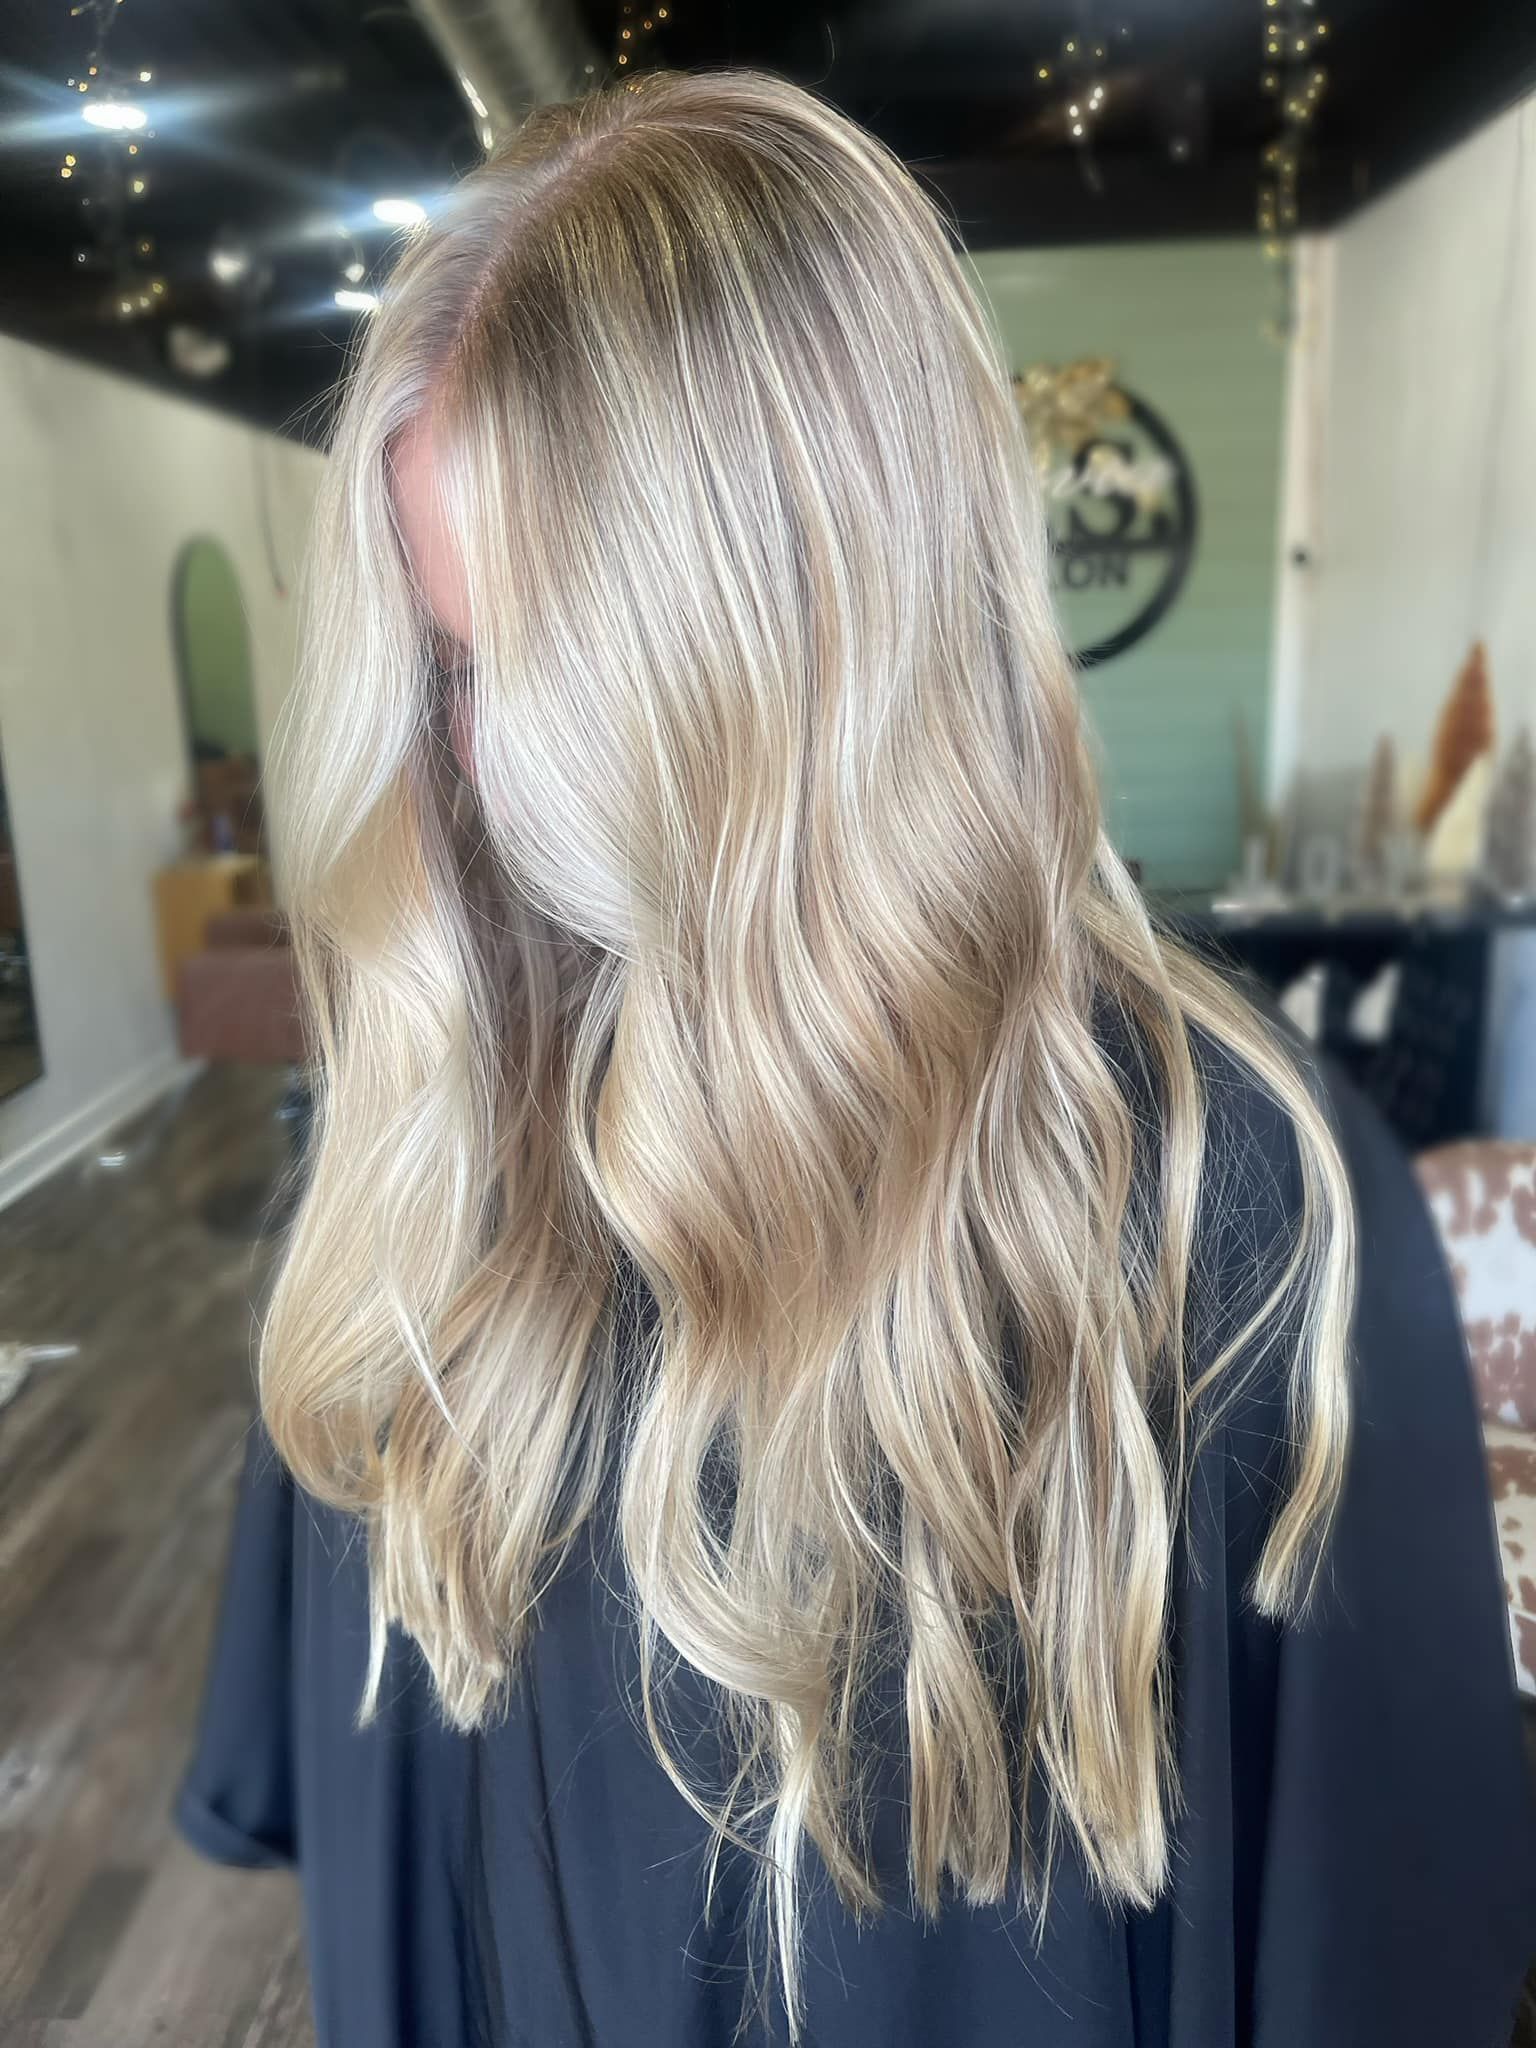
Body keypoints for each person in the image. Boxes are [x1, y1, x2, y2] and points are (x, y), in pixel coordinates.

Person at [179, 70, 1534, 2048]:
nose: (489, 766)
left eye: (566, 663)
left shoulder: (1238, 1218)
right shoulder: (434, 1165)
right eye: (457, 670)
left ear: (820, 633)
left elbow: (1381, 1963)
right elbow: (388, 1873)